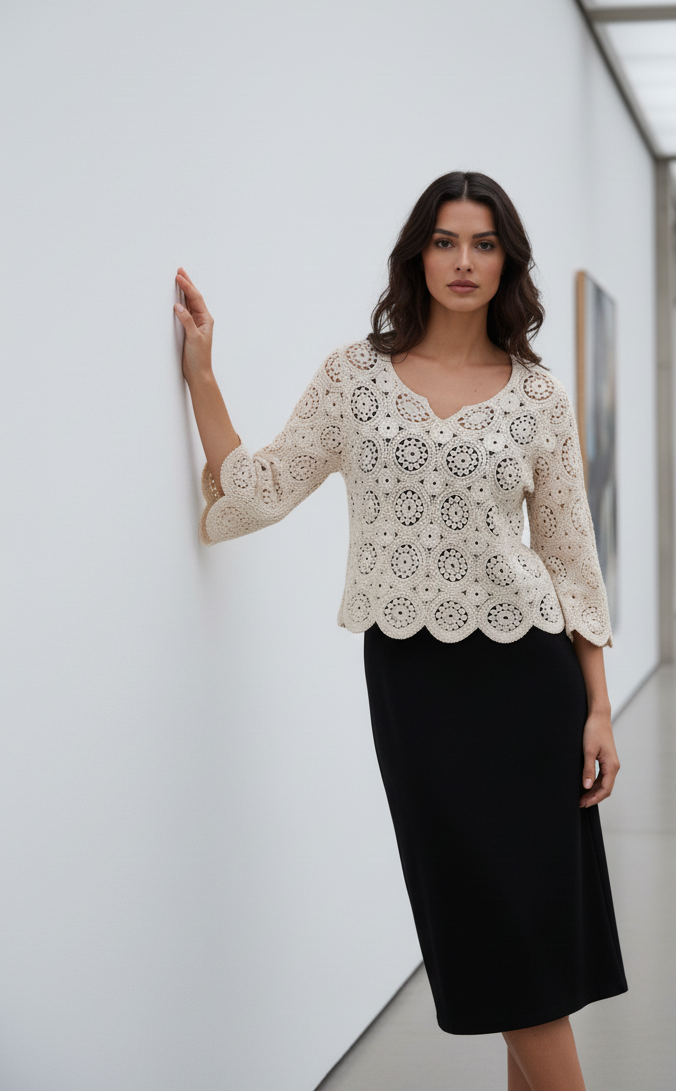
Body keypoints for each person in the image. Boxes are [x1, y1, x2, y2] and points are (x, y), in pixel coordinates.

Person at [174, 170, 627, 1091]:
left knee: (528, 951)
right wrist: (203, 375)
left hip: (531, 685)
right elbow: (258, 491)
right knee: (490, 933)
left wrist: (599, 709)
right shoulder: (356, 378)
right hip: (419, 693)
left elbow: (572, 558)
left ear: (509, 263)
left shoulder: (536, 394)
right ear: (418, 253)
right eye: (447, 241)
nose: (464, 262)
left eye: (485, 243)